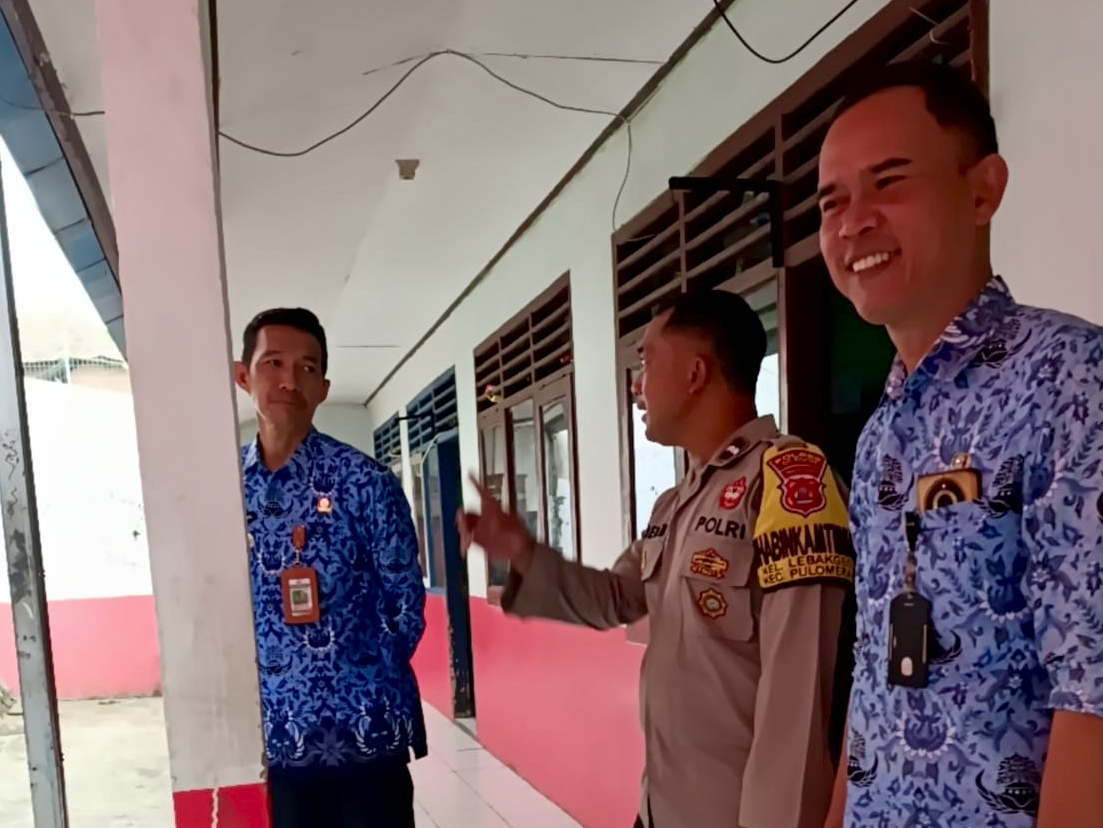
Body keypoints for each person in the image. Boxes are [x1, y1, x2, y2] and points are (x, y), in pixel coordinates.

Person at [817, 62, 1103, 828]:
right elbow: (871, 682)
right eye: (831, 201)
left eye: (887, 182)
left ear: (981, 191)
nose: (853, 222)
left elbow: (1093, 691)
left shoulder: (1071, 380)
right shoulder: (877, 439)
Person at [458, 289, 853, 828]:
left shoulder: (787, 482)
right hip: (662, 807)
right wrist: (520, 550)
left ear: (695, 373)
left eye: (646, 361)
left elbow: (797, 705)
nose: (636, 384)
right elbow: (615, 599)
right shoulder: (675, 503)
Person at [235, 308, 427, 828]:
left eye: (307, 368)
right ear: (243, 375)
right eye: (273, 363)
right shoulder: (227, 490)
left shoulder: (366, 483)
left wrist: (360, 682)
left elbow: (407, 605)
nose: (289, 380)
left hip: (365, 740)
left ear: (322, 387)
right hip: (274, 741)